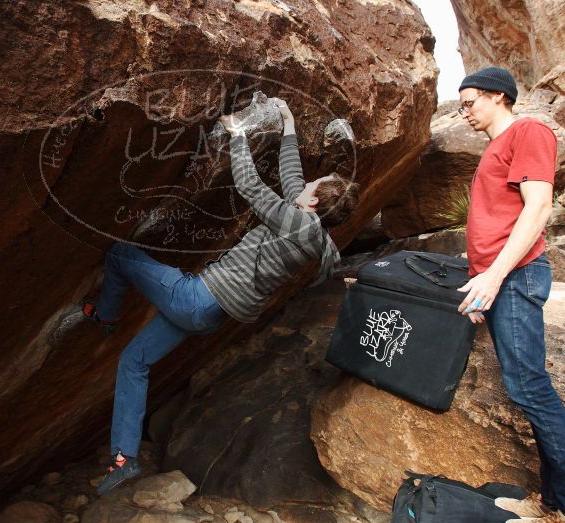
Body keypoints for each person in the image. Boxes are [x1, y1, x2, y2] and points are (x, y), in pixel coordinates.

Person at [84, 99, 359, 495]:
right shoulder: (310, 230)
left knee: (120, 254)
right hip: (208, 316)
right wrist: (288, 124)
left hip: (196, 298)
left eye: (314, 187)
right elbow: (293, 178)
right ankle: (124, 460)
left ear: (312, 203)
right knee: (134, 360)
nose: (308, 185)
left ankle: (105, 317)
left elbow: (250, 186)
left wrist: (237, 134)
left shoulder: (296, 220)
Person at [455, 66, 565, 523]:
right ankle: (553, 505)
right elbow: (499, 218)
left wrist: (493, 277)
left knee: (531, 391)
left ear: (499, 96)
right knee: (528, 390)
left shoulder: (528, 130)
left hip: (515, 278)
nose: (465, 111)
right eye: (460, 105)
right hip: (499, 280)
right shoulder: (497, 146)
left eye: (471, 101)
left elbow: (538, 209)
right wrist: (479, 279)